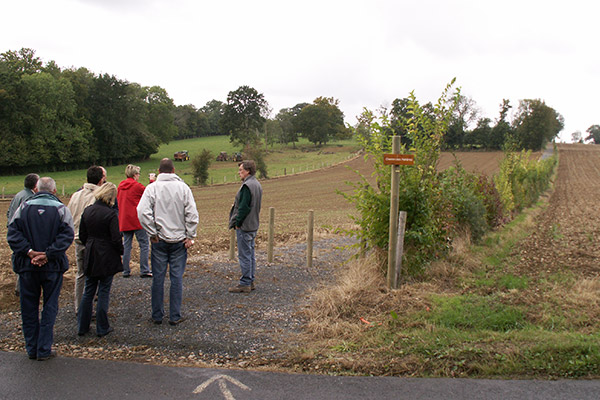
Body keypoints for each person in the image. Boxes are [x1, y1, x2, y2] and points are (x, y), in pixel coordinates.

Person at [7, 177, 75, 360]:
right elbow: (67, 235)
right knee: (50, 306)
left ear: (36, 189)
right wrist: (48, 254)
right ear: (54, 191)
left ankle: (32, 347)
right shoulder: (61, 209)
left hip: (28, 266)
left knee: (28, 307)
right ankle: (44, 347)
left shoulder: (23, 208)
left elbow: (12, 234)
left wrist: (29, 252)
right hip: (52, 266)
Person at [137, 158, 198, 325]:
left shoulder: (152, 188)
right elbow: (191, 213)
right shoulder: (183, 188)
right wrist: (190, 235)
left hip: (159, 240)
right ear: (173, 170)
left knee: (158, 278)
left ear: (158, 171)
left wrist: (152, 231)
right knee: (176, 277)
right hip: (179, 240)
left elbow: (142, 211)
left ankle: (157, 315)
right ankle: (175, 316)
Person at [77, 183, 123, 337]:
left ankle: (82, 326)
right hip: (106, 254)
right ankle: (102, 327)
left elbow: (82, 234)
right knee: (104, 290)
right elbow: (116, 238)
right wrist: (120, 251)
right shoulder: (110, 214)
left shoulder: (88, 211)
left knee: (88, 290)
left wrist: (89, 245)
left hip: (90, 252)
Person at [67, 166, 106, 315]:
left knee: (81, 274)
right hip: (95, 241)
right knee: (98, 276)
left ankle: (80, 308)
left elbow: (69, 217)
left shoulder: (76, 196)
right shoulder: (99, 197)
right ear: (101, 179)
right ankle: (94, 310)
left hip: (78, 240)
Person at [228, 160, 263, 293]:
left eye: (241, 170)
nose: (239, 173)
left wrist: (237, 223)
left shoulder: (247, 186)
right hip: (253, 224)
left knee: (244, 255)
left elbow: (243, 207)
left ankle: (245, 282)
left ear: (248, 171)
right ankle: (250, 280)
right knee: (250, 254)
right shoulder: (257, 184)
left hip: (245, 225)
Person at [7, 173, 39, 297]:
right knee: (25, 261)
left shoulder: (18, 195)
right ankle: (22, 289)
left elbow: (9, 212)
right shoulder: (30, 197)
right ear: (35, 185)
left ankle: (19, 287)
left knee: (18, 258)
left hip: (13, 232)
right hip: (23, 233)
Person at [117, 164, 151, 278]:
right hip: (136, 219)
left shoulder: (120, 187)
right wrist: (152, 182)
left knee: (127, 245)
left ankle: (125, 270)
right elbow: (149, 194)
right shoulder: (137, 186)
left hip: (124, 219)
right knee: (144, 244)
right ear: (135, 175)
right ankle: (144, 269)